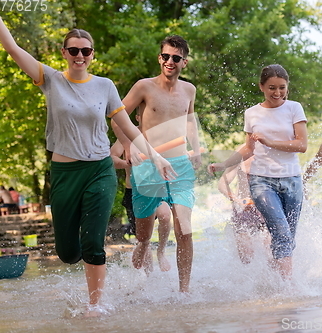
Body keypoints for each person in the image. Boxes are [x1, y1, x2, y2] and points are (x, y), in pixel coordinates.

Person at [0, 7, 175, 316]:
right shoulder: (50, 79)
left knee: (93, 242)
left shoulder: (104, 86)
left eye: (85, 50)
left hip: (99, 170)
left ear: (92, 54)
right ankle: (86, 268)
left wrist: (155, 156)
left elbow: (129, 127)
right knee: (66, 253)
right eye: (74, 50)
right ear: (65, 53)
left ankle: (96, 304)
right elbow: (11, 47)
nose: (80, 55)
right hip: (64, 172)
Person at [112, 35, 201, 293]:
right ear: (159, 58)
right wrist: (129, 148)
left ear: (184, 62)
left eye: (175, 58)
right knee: (143, 237)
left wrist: (195, 150)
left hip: (180, 166)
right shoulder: (144, 87)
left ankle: (184, 291)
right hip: (148, 167)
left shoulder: (189, 90)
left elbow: (190, 121)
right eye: (165, 56)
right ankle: (141, 271)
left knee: (184, 230)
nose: (169, 62)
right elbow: (117, 119)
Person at [209, 64, 307, 280]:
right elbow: (248, 149)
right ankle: (288, 287)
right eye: (272, 88)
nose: (278, 93)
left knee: (287, 236)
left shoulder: (294, 108)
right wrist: (223, 164)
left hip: (292, 180)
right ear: (261, 86)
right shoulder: (252, 113)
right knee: (281, 230)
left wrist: (270, 142)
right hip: (262, 181)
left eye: (282, 88)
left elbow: (302, 145)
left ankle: (274, 278)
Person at [110, 110, 173, 272]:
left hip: (158, 189)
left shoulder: (161, 135)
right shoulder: (126, 136)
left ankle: (161, 252)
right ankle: (150, 278)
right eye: (145, 115)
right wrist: (126, 163)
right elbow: (111, 158)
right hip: (134, 193)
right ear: (137, 118)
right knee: (143, 238)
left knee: (165, 215)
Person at [217, 146, 270, 264]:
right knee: (247, 257)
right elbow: (222, 184)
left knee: (271, 254)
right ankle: (247, 281)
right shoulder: (240, 152)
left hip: (267, 209)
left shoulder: (273, 150)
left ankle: (271, 281)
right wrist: (237, 201)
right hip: (243, 211)